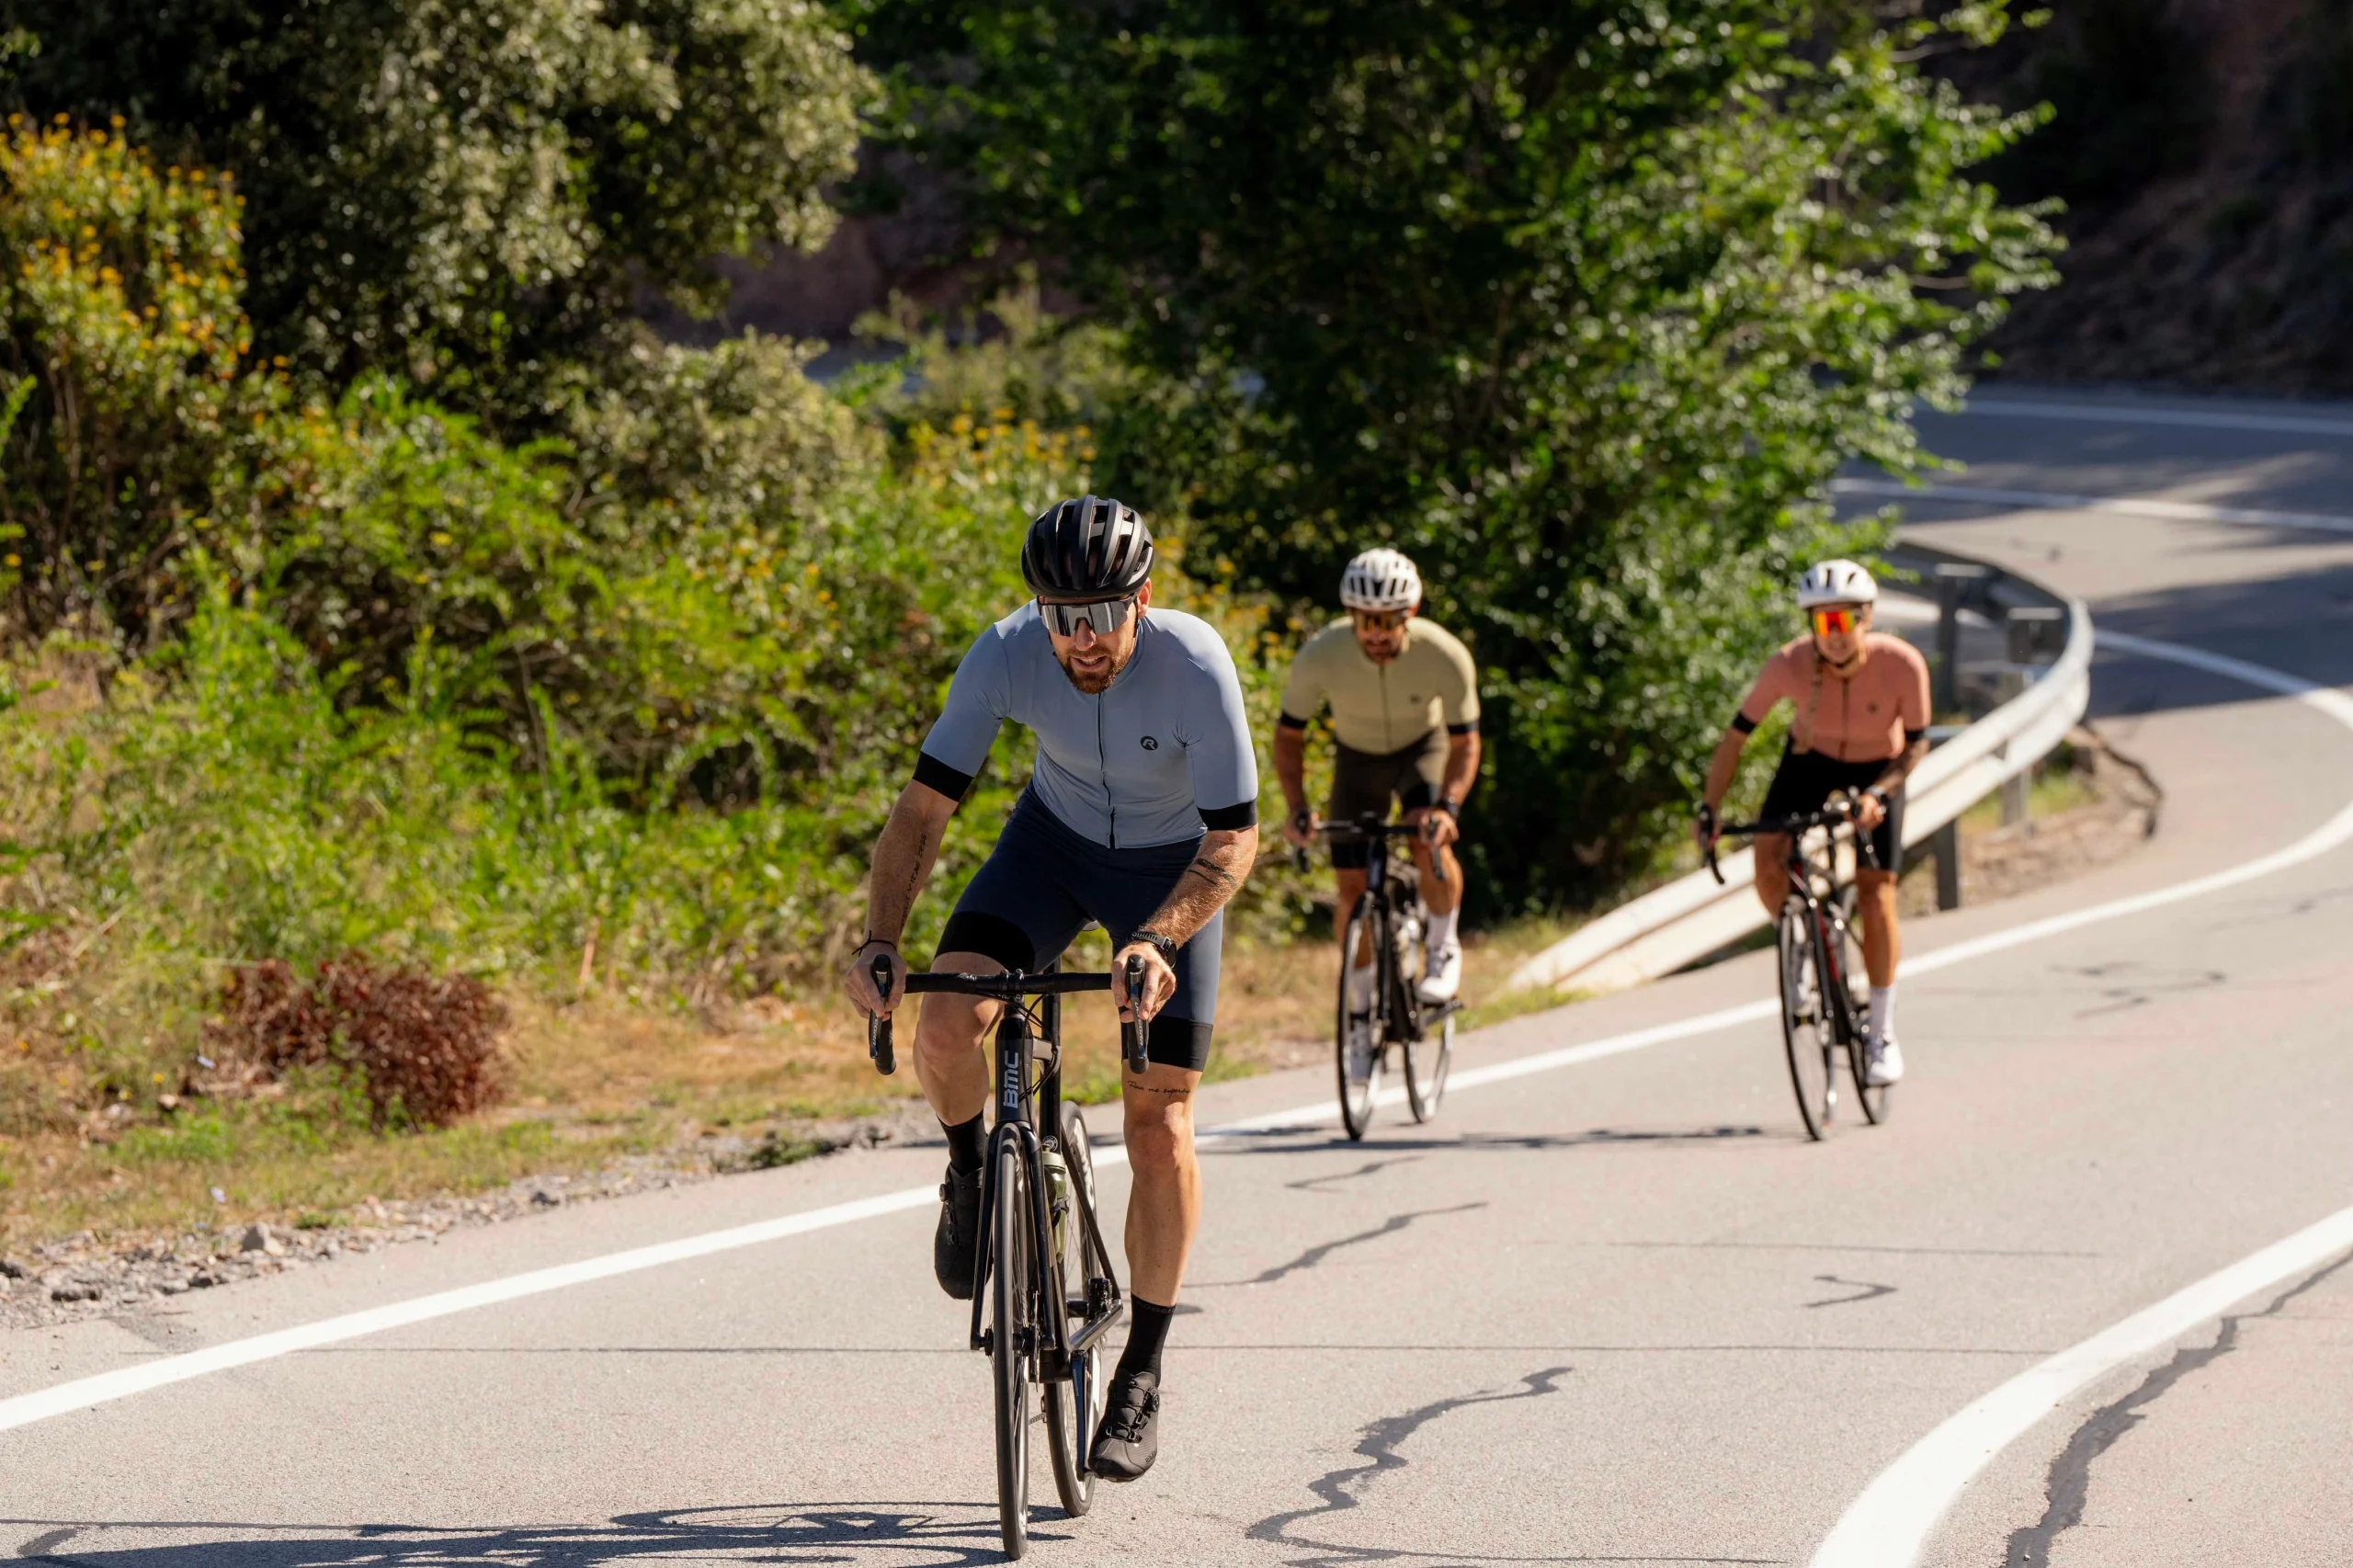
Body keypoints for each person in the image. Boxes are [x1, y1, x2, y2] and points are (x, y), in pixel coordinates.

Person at [841, 495, 1257, 1484]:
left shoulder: (1195, 663)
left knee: (1159, 1127)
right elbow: (923, 810)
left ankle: (1141, 1371)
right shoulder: (1005, 651)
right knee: (946, 1025)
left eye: (1103, 613)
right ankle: (971, 1173)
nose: (1082, 638)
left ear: (1141, 601)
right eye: (1061, 616)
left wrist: (1158, 936)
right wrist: (881, 940)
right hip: (1050, 853)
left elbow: (1234, 837)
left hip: (1171, 877)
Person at [1695, 559, 1929, 1085]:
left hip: (1879, 767)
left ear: (1867, 618)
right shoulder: (1789, 664)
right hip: (1811, 759)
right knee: (1767, 855)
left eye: (1846, 619)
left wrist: (1879, 793)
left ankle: (1882, 1031)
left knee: (1877, 893)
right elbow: (1735, 738)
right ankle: (1800, 938)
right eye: (1824, 622)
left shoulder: (1902, 664)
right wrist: (1709, 808)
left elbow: (1916, 745)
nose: (1835, 634)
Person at [1273, 548, 1481, 1069]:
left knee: (1426, 836)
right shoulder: (1322, 654)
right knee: (1350, 891)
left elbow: (1465, 742)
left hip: (1423, 751)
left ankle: (1442, 948)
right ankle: (1361, 1016)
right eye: (1365, 621)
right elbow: (1288, 736)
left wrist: (1448, 807)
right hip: (1358, 759)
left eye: (1387, 621)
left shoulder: (1444, 654)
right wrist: (1297, 808)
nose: (1376, 634)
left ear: (1409, 614)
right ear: (1351, 615)